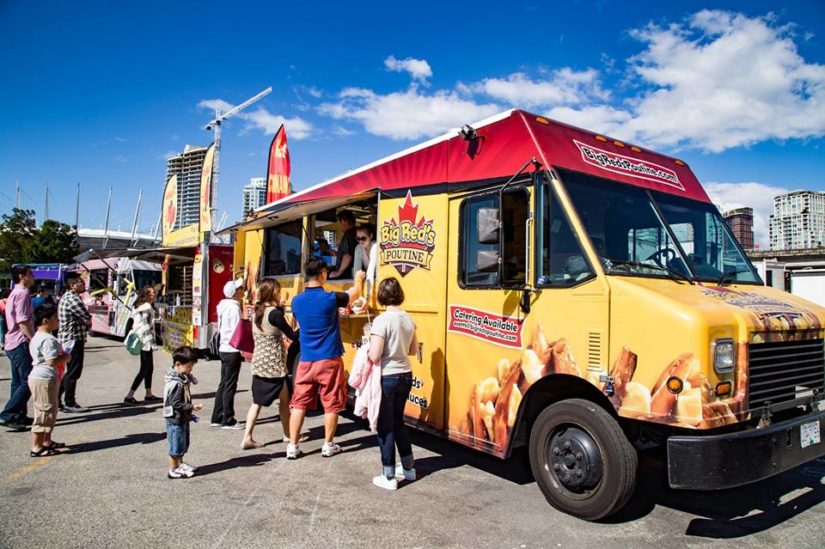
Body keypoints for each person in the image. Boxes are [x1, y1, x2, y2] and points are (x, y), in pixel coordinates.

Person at [286, 258, 365, 459]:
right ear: (322, 274)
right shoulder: (330, 298)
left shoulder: (296, 300)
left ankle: (292, 446)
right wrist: (359, 278)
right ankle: (328, 445)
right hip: (329, 359)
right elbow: (353, 294)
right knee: (331, 402)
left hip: (306, 360)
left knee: (299, 402)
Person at [367, 278, 419, 490]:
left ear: (381, 296)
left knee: (385, 426)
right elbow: (413, 350)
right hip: (406, 374)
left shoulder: (381, 320)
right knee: (398, 422)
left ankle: (388, 476)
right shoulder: (409, 319)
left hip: (387, 376)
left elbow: (375, 354)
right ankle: (409, 468)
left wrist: (369, 344)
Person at [240, 279, 296, 450]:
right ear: (273, 293)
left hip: (259, 363)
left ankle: (250, 436)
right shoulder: (275, 314)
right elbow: (291, 335)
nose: (280, 294)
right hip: (274, 366)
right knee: (281, 402)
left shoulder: (258, 310)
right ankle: (285, 435)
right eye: (278, 291)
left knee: (262, 402)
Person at [28, 304, 70, 457]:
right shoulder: (48, 339)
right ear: (45, 320)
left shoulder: (38, 336)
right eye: (55, 318)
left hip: (45, 378)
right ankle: (37, 447)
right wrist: (66, 357)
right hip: (44, 378)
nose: (58, 321)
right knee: (44, 413)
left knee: (50, 411)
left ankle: (47, 441)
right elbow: (51, 361)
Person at [0, 265, 36, 431]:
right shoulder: (22, 293)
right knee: (28, 380)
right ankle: (8, 413)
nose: (33, 276)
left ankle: (18, 415)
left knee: (17, 381)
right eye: (30, 274)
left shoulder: (14, 292)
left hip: (12, 342)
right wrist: (34, 339)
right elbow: (22, 320)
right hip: (20, 342)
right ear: (22, 276)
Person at [163, 346, 202, 479]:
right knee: (175, 445)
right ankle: (173, 469)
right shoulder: (176, 383)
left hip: (182, 418)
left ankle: (180, 464)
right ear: (178, 365)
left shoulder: (182, 379)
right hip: (175, 419)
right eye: (189, 367)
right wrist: (191, 407)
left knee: (182, 443)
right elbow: (176, 404)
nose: (190, 370)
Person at [211, 279, 245, 429]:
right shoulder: (234, 308)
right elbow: (239, 329)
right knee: (230, 385)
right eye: (240, 288)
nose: (243, 290)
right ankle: (228, 418)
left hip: (224, 347)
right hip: (232, 349)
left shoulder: (223, 306)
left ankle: (217, 417)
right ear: (235, 292)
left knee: (223, 384)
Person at [57, 275, 92, 413]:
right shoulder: (73, 299)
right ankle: (69, 401)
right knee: (73, 371)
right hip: (73, 338)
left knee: (71, 370)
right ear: (72, 285)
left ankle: (57, 398)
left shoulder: (68, 297)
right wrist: (87, 320)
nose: (83, 284)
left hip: (69, 338)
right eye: (80, 282)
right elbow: (87, 318)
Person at [124, 287, 161, 405]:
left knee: (149, 368)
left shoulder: (141, 306)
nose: (154, 294)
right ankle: (129, 396)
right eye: (152, 293)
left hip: (144, 340)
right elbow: (144, 326)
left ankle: (148, 394)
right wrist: (151, 342)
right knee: (144, 369)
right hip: (145, 341)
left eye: (154, 292)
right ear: (147, 295)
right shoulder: (146, 307)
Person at [329, 210, 358, 279]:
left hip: (347, 275)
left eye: (338, 222)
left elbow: (348, 255)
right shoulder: (356, 232)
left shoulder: (348, 234)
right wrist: (338, 254)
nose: (338, 225)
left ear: (344, 222)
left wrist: (339, 272)